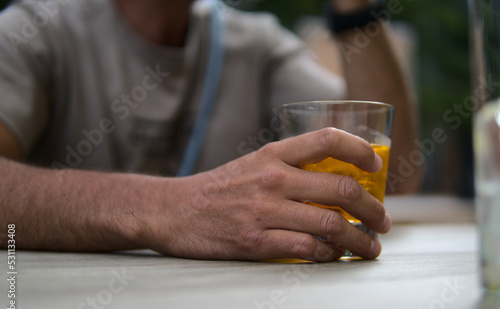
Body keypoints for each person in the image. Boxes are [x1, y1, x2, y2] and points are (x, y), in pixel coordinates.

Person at [0, 0, 419, 261]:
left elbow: (392, 170)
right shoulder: (35, 30)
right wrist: (176, 207)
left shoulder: (255, 44)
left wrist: (354, 8)